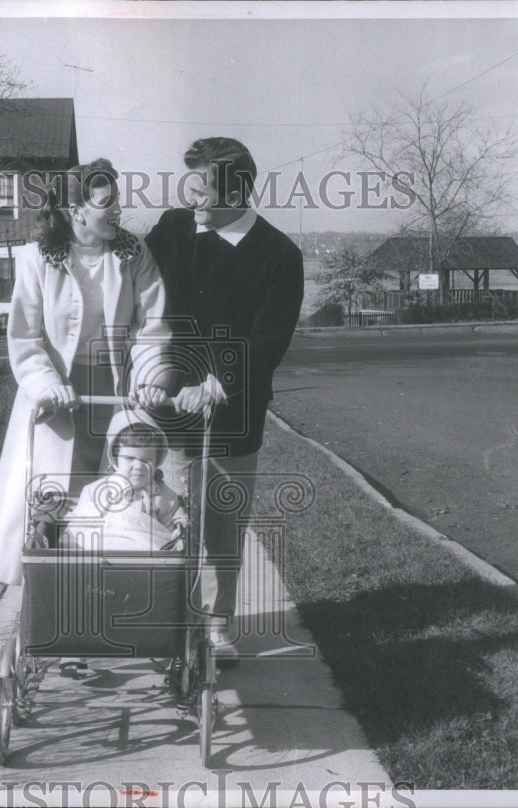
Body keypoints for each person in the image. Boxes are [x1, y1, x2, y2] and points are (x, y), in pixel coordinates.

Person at [0, 159, 173, 585]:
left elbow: (152, 328)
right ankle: (54, 613)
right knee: (55, 497)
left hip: (117, 389)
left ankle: (106, 600)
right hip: (59, 396)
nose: (118, 211)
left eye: (119, 200)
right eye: (106, 203)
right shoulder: (37, 259)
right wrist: (48, 386)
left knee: (115, 496)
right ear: (74, 209)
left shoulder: (134, 254)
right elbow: (25, 337)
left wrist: (150, 382)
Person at [146, 137, 304, 658]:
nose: (194, 200)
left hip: (232, 416)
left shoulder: (279, 255)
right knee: (170, 523)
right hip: (168, 409)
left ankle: (216, 627)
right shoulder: (171, 231)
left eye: (205, 191)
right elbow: (140, 293)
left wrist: (216, 384)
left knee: (222, 527)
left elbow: (269, 339)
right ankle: (170, 622)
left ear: (238, 192)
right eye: (189, 187)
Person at [60, 408, 187, 553]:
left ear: (157, 460)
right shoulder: (95, 490)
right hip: (103, 552)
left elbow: (167, 539)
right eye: (130, 458)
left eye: (147, 460)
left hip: (146, 555)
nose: (138, 467)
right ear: (115, 457)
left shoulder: (165, 496)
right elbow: (79, 530)